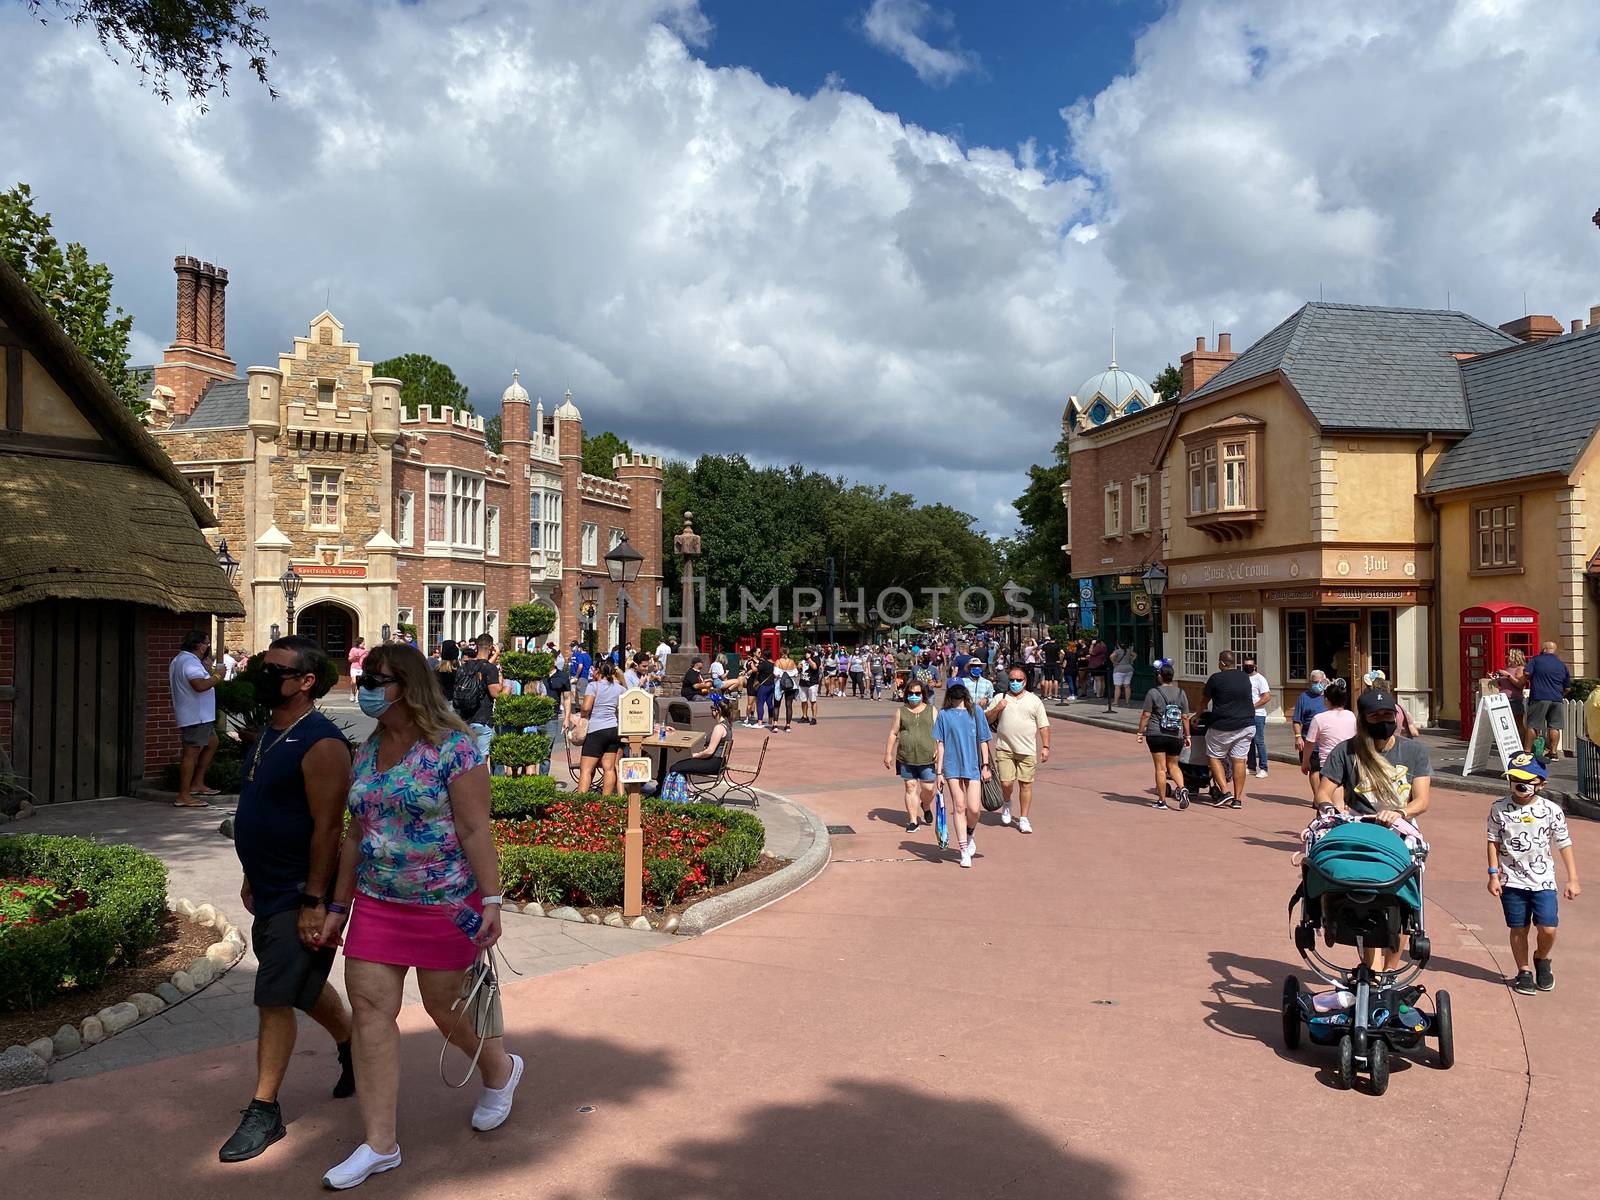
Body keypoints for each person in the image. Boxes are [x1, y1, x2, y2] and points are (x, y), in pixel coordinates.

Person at [318, 642, 520, 1191]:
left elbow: (477, 829)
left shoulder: (456, 749)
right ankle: (380, 1143)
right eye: (364, 678)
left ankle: (500, 1070)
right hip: (379, 905)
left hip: (446, 904)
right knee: (369, 1013)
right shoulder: (366, 750)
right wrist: (338, 905)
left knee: (443, 1008)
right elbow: (355, 833)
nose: (364, 688)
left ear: (406, 685)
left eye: (374, 679)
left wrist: (493, 900)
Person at [218, 635, 355, 1165]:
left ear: (306, 682)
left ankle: (264, 1109)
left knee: (274, 998)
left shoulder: (320, 743)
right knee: (298, 987)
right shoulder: (270, 733)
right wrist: (251, 873)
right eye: (263, 665)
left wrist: (316, 901)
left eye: (276, 669)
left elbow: (328, 829)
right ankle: (354, 1050)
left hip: (301, 892)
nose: (264, 674)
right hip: (268, 886)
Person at [1315, 687, 1432, 971]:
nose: (1384, 720)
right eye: (1376, 715)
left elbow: (1422, 800)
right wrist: (1330, 809)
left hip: (1400, 830)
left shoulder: (1414, 751)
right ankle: (1373, 970)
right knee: (1365, 898)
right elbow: (1323, 792)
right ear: (1363, 719)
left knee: (1404, 904)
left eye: (1388, 714)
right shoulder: (1347, 751)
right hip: (1361, 828)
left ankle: (1389, 970)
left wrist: (1400, 812)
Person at [1487, 751, 1581, 995]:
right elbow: (1493, 841)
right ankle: (1524, 971)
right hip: (1511, 879)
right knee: (1518, 928)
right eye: (1514, 778)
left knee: (1548, 928)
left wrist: (1572, 878)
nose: (1520, 785)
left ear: (1541, 783)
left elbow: (1564, 842)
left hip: (1543, 880)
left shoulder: (1551, 810)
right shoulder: (1499, 808)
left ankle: (1542, 958)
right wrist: (1493, 874)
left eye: (1527, 780)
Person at [934, 681, 994, 867]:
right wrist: (939, 772)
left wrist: (985, 765)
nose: (958, 695)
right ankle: (963, 850)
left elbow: (984, 740)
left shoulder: (976, 712)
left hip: (973, 765)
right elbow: (940, 744)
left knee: (974, 808)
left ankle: (970, 832)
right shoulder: (943, 715)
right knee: (959, 806)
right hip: (952, 767)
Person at [985, 666, 1050, 833]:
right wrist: (997, 708)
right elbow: (987, 718)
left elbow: (1043, 726)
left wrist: (1045, 746)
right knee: (1006, 783)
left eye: (1018, 680)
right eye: (1012, 680)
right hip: (1005, 748)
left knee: (1025, 784)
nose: (1014, 683)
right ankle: (1007, 802)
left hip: (1027, 750)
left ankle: (1023, 818)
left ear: (1025, 682)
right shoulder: (1000, 697)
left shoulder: (1034, 700)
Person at [169, 629, 223, 807]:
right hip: (195, 716)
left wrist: (208, 670)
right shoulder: (189, 662)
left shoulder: (184, 660)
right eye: (207, 643)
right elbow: (199, 685)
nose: (208, 646)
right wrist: (217, 676)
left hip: (201, 716)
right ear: (199, 645)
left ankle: (197, 783)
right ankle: (183, 795)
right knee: (191, 753)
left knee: (212, 742)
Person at [1202, 650, 1255, 809]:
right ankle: (1237, 799)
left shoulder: (1215, 678)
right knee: (1239, 760)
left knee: (1214, 756)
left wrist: (1197, 715)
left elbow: (1204, 701)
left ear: (1222, 663)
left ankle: (1225, 791)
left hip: (1223, 725)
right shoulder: (1245, 677)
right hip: (1246, 724)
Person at [1136, 660, 1191, 810]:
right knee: (1173, 765)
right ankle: (1182, 788)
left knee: (1160, 768)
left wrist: (1140, 732)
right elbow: (1185, 717)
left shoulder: (1153, 692)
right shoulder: (1181, 693)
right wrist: (1188, 736)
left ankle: (1162, 801)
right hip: (1175, 734)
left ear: (1160, 676)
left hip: (1156, 733)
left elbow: (1146, 714)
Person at [885, 680, 937, 832]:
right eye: (911, 693)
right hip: (906, 757)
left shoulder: (931, 710)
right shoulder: (901, 711)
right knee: (910, 787)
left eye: (917, 693)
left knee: (928, 788)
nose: (914, 696)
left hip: (927, 757)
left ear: (923, 694)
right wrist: (888, 753)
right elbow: (894, 733)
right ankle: (913, 821)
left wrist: (939, 750)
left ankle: (926, 805)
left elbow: (940, 732)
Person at [576, 659, 626, 795]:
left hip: (596, 729)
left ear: (598, 671)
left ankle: (580, 801)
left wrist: (583, 714)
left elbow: (586, 707)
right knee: (609, 768)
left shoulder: (593, 686)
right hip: (613, 729)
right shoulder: (620, 689)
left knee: (586, 769)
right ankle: (606, 802)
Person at [453, 636, 505, 762]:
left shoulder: (464, 667)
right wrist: (502, 678)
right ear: (491, 647)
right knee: (480, 761)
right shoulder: (490, 668)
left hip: (464, 719)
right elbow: (496, 693)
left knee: (465, 760)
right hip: (482, 718)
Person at [1300, 679, 1354, 797]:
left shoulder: (1319, 718)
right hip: (1349, 762)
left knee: (1328, 800)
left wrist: (1305, 762)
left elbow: (1310, 743)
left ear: (1327, 700)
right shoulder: (1351, 715)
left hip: (1329, 765)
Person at [1524, 641, 1573, 759]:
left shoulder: (1536, 660)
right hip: (1556, 699)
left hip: (1540, 696)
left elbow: (1526, 673)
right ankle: (1554, 752)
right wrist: (1559, 694)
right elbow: (1567, 688)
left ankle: (1527, 751)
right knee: (1554, 726)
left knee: (1533, 725)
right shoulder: (1561, 664)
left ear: (1545, 649)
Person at [676, 696, 735, 782]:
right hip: (719, 763)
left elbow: (710, 751)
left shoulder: (719, 728)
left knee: (676, 767)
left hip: (713, 763)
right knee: (682, 765)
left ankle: (682, 793)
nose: (711, 711)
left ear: (717, 711)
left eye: (712, 709)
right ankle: (688, 791)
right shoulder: (728, 726)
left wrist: (697, 755)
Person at [1291, 671, 1329, 787]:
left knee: (1328, 773)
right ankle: (1318, 798)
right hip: (1310, 741)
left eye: (1319, 682)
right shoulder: (1303, 697)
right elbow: (1297, 720)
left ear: (1324, 681)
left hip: (1328, 741)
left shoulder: (1330, 696)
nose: (1316, 684)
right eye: (1314, 682)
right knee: (1314, 769)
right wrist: (1298, 737)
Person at [1243, 656, 1272, 780]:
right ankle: (1251, 766)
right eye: (1245, 665)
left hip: (1258, 714)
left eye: (1250, 665)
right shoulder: (1242, 678)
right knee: (1249, 740)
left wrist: (1253, 706)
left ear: (1255, 666)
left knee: (1259, 740)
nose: (1247, 667)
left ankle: (1264, 768)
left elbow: (1266, 696)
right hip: (1246, 714)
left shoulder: (1260, 679)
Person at [1492, 649, 1529, 746]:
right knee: (1506, 723)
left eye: (1509, 655)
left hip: (1514, 699)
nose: (1507, 656)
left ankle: (1523, 744)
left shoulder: (1520, 668)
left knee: (1518, 722)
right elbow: (1504, 684)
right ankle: (1510, 744)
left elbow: (1520, 685)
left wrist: (1507, 675)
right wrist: (1495, 679)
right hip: (1503, 698)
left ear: (1515, 656)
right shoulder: (1507, 668)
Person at [774, 651, 799, 731]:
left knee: (777, 705)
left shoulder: (778, 661)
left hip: (780, 684)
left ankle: (775, 725)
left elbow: (775, 673)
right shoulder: (791, 662)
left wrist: (780, 673)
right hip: (790, 685)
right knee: (789, 705)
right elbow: (796, 673)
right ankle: (788, 726)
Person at [797, 650, 822, 725]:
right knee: (803, 700)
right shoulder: (803, 659)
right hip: (803, 682)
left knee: (813, 700)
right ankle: (805, 716)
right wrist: (799, 667)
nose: (806, 653)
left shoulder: (816, 658)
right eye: (806, 652)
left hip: (812, 683)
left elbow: (814, 667)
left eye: (808, 652)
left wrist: (809, 659)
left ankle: (814, 718)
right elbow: (799, 669)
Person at [1110, 641, 1137, 706]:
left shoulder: (1117, 651)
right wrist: (1131, 661)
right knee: (1127, 686)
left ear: (1118, 645)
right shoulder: (1129, 650)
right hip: (1129, 669)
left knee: (1117, 687)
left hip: (1119, 669)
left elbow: (1111, 656)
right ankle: (1127, 702)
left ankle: (1116, 702)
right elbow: (1135, 655)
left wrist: (1114, 662)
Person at [1039, 634, 1062, 703]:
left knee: (1047, 679)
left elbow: (1038, 653)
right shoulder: (1057, 646)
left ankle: (1045, 695)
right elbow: (1062, 653)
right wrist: (1060, 660)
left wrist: (1043, 660)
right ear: (1055, 639)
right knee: (1055, 679)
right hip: (1055, 663)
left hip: (1047, 663)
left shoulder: (1045, 646)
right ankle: (1055, 695)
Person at [347, 637, 368, 701]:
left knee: (359, 683)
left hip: (361, 668)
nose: (364, 643)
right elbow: (349, 659)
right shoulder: (353, 649)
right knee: (354, 682)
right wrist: (354, 657)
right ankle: (352, 693)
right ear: (359, 643)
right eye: (363, 642)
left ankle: (357, 695)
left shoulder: (365, 651)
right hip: (354, 667)